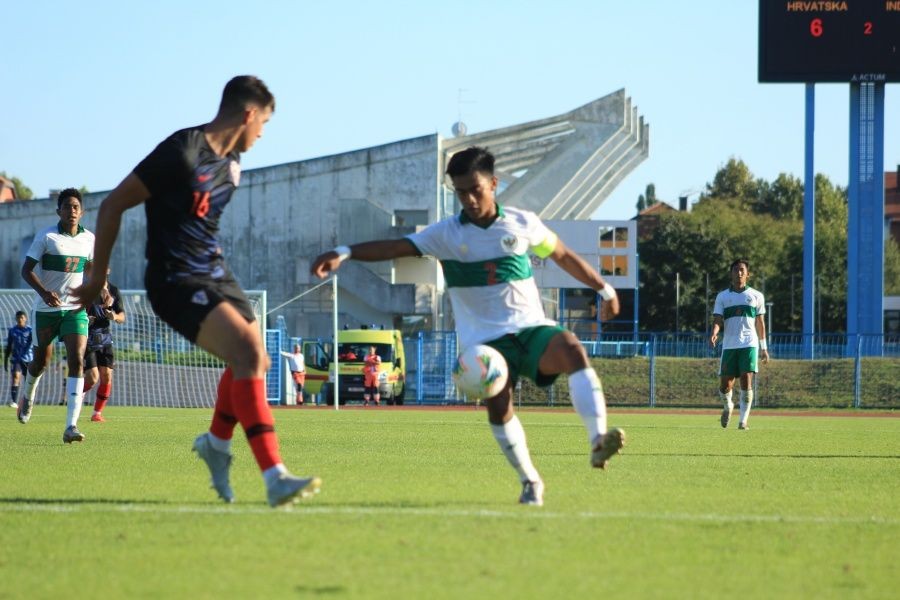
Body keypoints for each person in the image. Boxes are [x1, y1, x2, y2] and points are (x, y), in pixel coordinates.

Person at [311, 146, 626, 507]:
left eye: (476, 189)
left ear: (493, 183)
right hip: (485, 343)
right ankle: (530, 481)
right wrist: (345, 251)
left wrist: (604, 288)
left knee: (571, 347)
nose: (470, 199)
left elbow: (563, 255)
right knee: (499, 403)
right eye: (461, 192)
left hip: (531, 329)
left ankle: (598, 440)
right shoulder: (444, 234)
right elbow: (396, 246)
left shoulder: (522, 223)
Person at [71, 75, 320, 507]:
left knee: (251, 356)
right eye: (263, 123)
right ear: (247, 114)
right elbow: (112, 206)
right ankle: (274, 475)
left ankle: (216, 444)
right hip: (174, 279)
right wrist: (97, 279)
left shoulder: (233, 169)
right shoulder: (183, 151)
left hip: (215, 272)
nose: (262, 134)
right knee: (246, 352)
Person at [19, 188, 94, 444]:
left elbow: (94, 270)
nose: (72, 211)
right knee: (41, 362)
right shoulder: (46, 236)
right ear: (58, 211)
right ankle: (28, 394)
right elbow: (26, 270)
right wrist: (44, 291)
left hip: (74, 310)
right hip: (46, 310)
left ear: (81, 212)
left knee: (77, 360)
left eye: (76, 207)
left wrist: (102, 289)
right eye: (67, 207)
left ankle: (71, 426)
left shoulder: (89, 240)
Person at [709, 259, 770, 430]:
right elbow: (718, 319)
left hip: (749, 344)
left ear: (748, 274)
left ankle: (743, 421)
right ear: (731, 273)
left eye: (742, 270)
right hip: (729, 345)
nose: (739, 273)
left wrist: (764, 348)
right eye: (736, 270)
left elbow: (760, 323)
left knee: (746, 379)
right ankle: (728, 405)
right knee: (725, 385)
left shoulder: (757, 296)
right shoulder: (723, 296)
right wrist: (714, 332)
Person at [83, 271, 125, 422]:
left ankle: (97, 413)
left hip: (105, 337)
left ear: (108, 270)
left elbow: (122, 316)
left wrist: (114, 316)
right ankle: (76, 394)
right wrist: (85, 318)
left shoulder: (114, 291)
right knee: (92, 378)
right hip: (87, 336)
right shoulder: (85, 289)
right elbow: (74, 312)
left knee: (106, 376)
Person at [4, 311, 33, 408]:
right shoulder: (12, 330)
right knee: (16, 377)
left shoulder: (30, 330)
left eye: (21, 317)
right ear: (16, 319)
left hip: (29, 359)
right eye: (18, 318)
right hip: (16, 359)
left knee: (28, 381)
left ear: (25, 318)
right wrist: (5, 360)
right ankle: (14, 402)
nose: (20, 320)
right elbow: (9, 345)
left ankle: (28, 401)